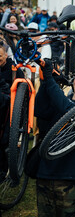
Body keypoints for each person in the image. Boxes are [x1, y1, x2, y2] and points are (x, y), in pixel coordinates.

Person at [34, 64, 75, 217]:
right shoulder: (61, 101)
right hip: (46, 174)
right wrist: (45, 83)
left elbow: (70, 111)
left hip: (71, 178)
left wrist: (50, 81)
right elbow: (40, 110)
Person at [0, 41, 24, 181]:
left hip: (11, 110)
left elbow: (22, 92)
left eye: (0, 56)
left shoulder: (15, 70)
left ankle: (11, 172)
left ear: (5, 55)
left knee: (7, 143)